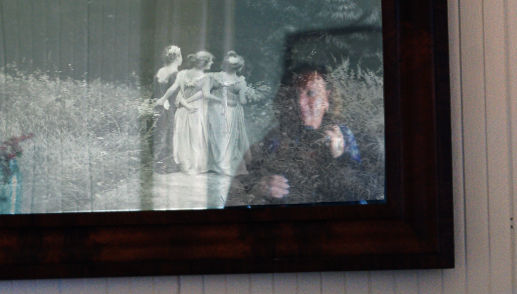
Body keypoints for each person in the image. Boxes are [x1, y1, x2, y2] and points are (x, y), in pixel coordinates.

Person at [227, 65, 367, 206]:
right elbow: (238, 184)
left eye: (311, 93)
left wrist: (340, 156)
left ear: (327, 98)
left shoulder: (343, 137)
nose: (300, 102)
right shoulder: (276, 138)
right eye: (295, 94)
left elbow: (361, 193)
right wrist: (260, 186)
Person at [156, 51, 220, 175]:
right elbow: (203, 94)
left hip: (183, 108)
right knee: (196, 135)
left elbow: (173, 88)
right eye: (210, 61)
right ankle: (195, 164)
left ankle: (187, 164)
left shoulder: (182, 73)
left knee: (184, 135)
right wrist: (187, 102)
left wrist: (165, 99)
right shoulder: (206, 77)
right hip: (196, 109)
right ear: (203, 63)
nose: (212, 63)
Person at [207, 51, 251, 176]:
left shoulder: (215, 77)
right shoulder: (240, 82)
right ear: (240, 67)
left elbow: (206, 94)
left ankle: (213, 164)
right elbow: (242, 101)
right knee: (229, 138)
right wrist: (248, 97)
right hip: (231, 110)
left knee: (215, 135)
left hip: (215, 109)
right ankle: (226, 165)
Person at [150, 45, 182, 172]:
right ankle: (168, 164)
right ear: (177, 58)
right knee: (172, 133)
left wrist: (153, 103)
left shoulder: (160, 72)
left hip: (158, 106)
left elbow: (155, 91)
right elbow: (175, 93)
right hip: (171, 107)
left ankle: (159, 161)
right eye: (181, 55)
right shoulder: (176, 74)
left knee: (160, 132)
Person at [0, 133, 33, 214]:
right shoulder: (0, 171)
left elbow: (19, 152)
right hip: (2, 168)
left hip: (8, 169)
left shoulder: (13, 171)